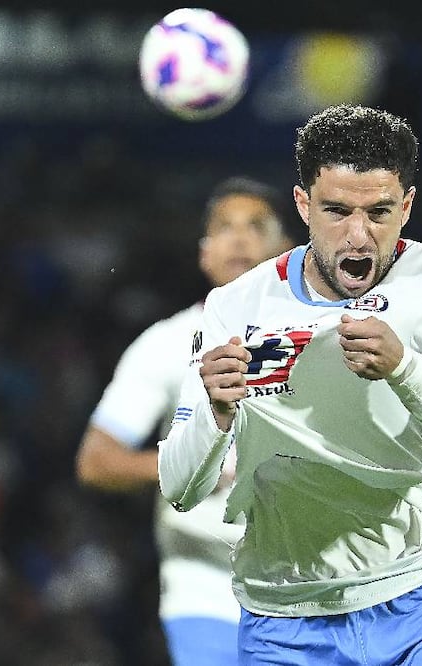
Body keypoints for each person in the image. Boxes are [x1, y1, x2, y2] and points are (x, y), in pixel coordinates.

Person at [158, 104, 422, 665]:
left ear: (407, 206)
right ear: (303, 204)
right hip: (284, 619)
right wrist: (216, 413)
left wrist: (406, 369)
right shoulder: (237, 306)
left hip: (416, 600)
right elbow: (179, 487)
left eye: (379, 212)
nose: (358, 236)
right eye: (336, 211)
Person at [75, 175, 300, 666]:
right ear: (204, 252)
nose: (238, 239)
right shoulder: (165, 343)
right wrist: (187, 465)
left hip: (308, 588)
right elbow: (96, 460)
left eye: (255, 227)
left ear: (286, 249)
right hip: (204, 586)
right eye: (224, 228)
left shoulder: (322, 339)